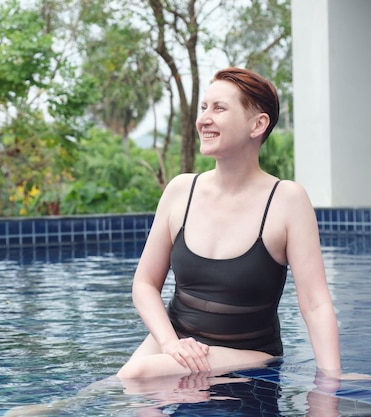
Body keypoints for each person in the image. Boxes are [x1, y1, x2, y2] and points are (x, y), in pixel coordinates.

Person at [116, 67, 342, 380]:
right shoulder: (181, 190)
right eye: (203, 108)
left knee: (137, 375)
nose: (204, 119)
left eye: (219, 108)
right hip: (177, 339)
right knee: (106, 390)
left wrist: (331, 380)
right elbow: (144, 284)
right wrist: (170, 343)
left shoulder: (287, 200)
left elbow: (315, 303)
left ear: (258, 124)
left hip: (248, 352)